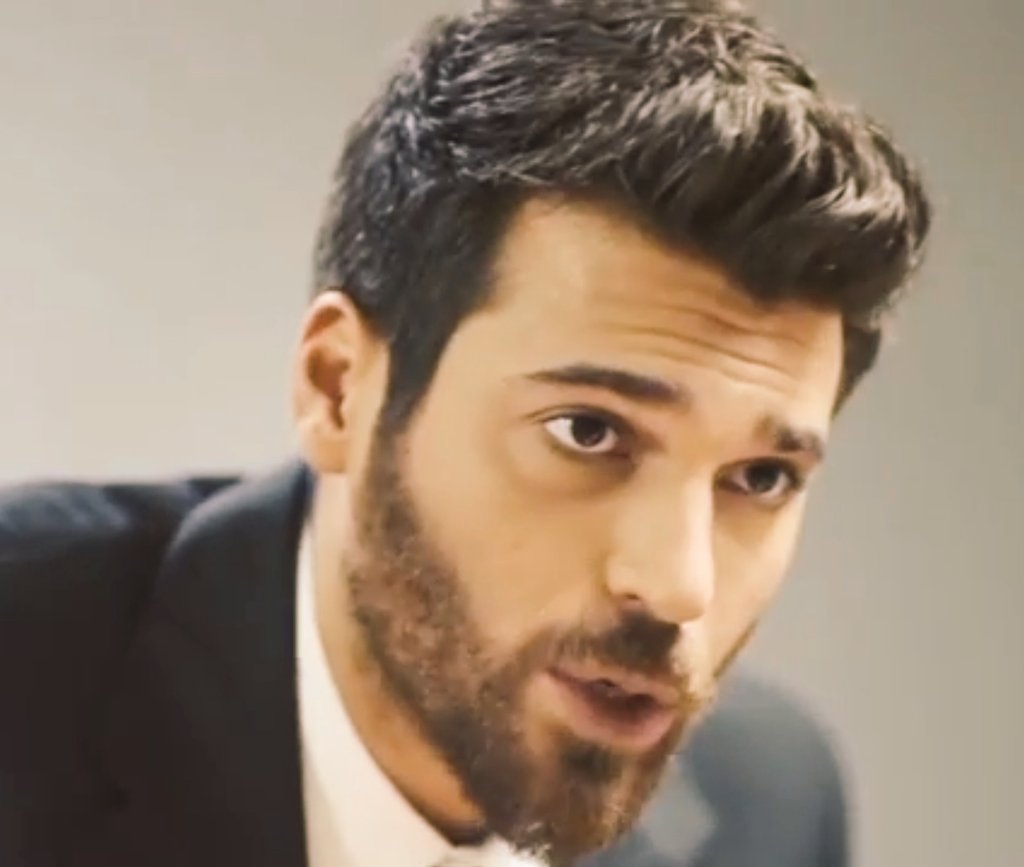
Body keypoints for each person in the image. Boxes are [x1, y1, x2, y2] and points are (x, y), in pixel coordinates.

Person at [0, 1, 931, 865]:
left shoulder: (769, 803)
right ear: (339, 388)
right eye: (589, 430)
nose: (678, 584)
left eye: (762, 477)